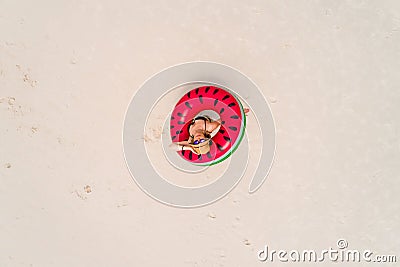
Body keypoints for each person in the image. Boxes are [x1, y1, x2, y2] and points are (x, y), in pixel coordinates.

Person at [170, 108, 249, 155]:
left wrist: (190, 148)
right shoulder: (210, 127)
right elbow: (224, 118)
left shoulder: (190, 140)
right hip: (210, 114)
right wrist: (240, 112)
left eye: (197, 142)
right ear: (205, 138)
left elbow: (171, 146)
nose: (198, 139)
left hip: (196, 114)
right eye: (202, 140)